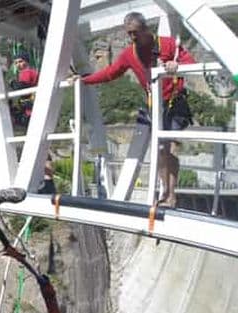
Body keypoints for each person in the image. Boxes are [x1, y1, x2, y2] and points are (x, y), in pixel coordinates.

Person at [76, 11, 195, 206]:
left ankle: (170, 195)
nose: (132, 37)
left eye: (135, 32)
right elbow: (110, 73)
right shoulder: (129, 54)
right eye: (129, 33)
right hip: (155, 104)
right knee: (160, 149)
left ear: (145, 29)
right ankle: (166, 193)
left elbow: (190, 62)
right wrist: (84, 80)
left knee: (169, 148)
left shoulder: (167, 44)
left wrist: (177, 64)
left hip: (174, 101)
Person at [9, 50, 40, 127]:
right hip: (30, 106)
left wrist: (12, 83)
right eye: (16, 63)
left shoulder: (27, 72)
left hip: (30, 109)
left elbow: (22, 87)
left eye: (20, 61)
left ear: (26, 61)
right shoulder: (31, 72)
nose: (18, 64)